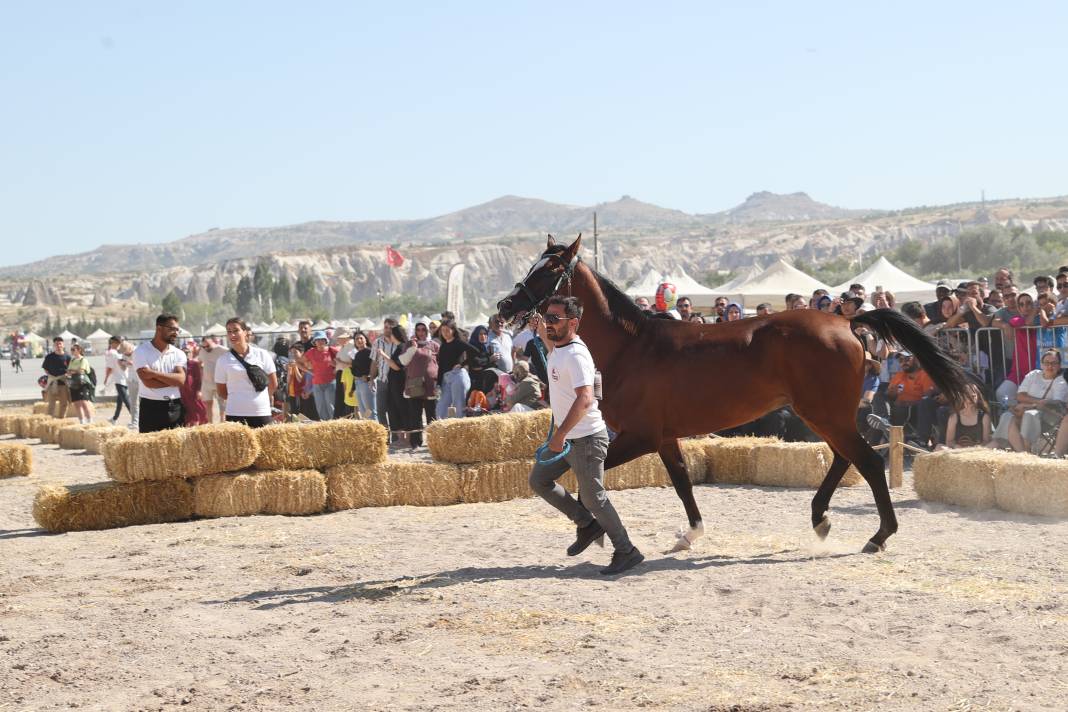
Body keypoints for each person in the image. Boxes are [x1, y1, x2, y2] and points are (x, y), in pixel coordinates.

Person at [527, 295, 643, 576]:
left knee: (594, 498)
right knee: (539, 480)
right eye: (547, 317)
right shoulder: (560, 348)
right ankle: (587, 524)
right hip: (570, 439)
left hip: (586, 439)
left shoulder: (577, 355)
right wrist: (541, 328)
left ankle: (627, 550)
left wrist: (560, 434)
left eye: (554, 319)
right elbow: (552, 346)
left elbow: (586, 398)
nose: (549, 323)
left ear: (573, 323)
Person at [992, 349, 1068, 453]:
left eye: (1054, 363)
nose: (1050, 366)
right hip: (1026, 411)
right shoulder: (1033, 375)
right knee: (1007, 416)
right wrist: (1038, 402)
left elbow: (1055, 404)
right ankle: (1022, 453)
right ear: (1041, 364)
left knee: (1030, 414)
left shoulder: (1060, 381)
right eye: (1046, 363)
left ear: (1059, 365)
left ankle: (1026, 449)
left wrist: (1028, 405)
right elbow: (1019, 396)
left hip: (1048, 417)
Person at [215, 318, 278, 428]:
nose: (232, 334)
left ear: (245, 332)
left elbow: (273, 384)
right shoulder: (223, 360)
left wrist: (260, 399)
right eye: (229, 331)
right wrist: (240, 401)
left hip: (261, 412)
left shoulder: (262, 355)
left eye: (236, 330)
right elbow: (221, 391)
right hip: (235, 413)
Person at [132, 314, 188, 433]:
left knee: (177, 444)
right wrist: (172, 380)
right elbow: (148, 383)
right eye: (172, 329)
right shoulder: (141, 352)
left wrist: (153, 373)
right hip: (150, 408)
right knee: (149, 444)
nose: (175, 333)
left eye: (177, 330)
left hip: (175, 407)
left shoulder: (179, 354)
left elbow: (181, 380)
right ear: (159, 328)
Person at [886, 351, 939, 448]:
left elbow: (927, 398)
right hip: (896, 408)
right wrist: (891, 394)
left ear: (916, 359)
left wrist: (907, 403)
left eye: (907, 359)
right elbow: (890, 396)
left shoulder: (924, 375)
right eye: (900, 360)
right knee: (879, 395)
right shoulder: (899, 376)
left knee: (922, 404)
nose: (903, 362)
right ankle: (884, 421)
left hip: (915, 410)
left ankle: (886, 427)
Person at [399, 321, 439, 446]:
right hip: (414, 384)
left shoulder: (434, 345)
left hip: (430, 384)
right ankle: (416, 442)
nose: (421, 332)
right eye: (418, 330)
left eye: (423, 329)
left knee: (431, 415)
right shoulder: (409, 344)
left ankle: (433, 443)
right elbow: (403, 361)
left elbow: (440, 363)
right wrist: (413, 347)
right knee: (415, 415)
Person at [435, 319, 477, 419]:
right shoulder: (443, 346)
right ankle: (443, 428)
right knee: (441, 408)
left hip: (458, 376)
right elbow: (441, 366)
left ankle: (460, 428)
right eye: (442, 330)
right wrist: (438, 383)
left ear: (453, 330)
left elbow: (475, 352)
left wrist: (462, 364)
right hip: (446, 378)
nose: (444, 333)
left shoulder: (458, 342)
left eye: (447, 330)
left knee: (459, 407)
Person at [381, 325, 413, 444]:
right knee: (394, 408)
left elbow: (396, 366)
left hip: (400, 383)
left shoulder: (402, 347)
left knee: (402, 408)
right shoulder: (399, 347)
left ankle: (407, 438)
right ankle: (401, 438)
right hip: (395, 383)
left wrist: (384, 355)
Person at [939, 385, 991, 449]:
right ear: (962, 397)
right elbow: (949, 441)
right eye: (967, 396)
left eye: (973, 396)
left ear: (978, 397)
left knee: (995, 443)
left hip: (977, 451)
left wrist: (975, 449)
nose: (970, 399)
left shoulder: (984, 417)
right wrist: (958, 447)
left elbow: (986, 441)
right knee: (939, 447)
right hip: (958, 451)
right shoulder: (954, 417)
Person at [302, 331, 338, 421]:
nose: (320, 342)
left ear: (326, 340)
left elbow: (345, 361)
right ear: (314, 342)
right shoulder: (311, 352)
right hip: (317, 384)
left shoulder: (332, 350)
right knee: (320, 408)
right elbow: (299, 362)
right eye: (317, 340)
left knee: (331, 407)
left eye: (322, 339)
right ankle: (324, 427)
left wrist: (336, 367)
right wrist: (308, 370)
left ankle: (333, 426)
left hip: (330, 383)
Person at [370, 318, 397, 429]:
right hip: (382, 380)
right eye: (386, 327)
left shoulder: (399, 342)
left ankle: (395, 435)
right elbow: (374, 361)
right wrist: (371, 378)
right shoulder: (377, 342)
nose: (388, 330)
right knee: (380, 410)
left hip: (395, 381)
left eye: (391, 328)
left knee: (393, 409)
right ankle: (385, 435)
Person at [198, 336, 228, 422]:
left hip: (220, 382)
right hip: (206, 383)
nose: (206, 348)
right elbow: (199, 362)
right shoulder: (202, 351)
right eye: (203, 346)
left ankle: (223, 423)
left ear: (213, 342)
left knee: (222, 406)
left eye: (208, 346)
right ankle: (210, 424)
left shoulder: (223, 350)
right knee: (208, 405)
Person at [179, 340, 207, 426]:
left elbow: (199, 378)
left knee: (200, 408)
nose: (186, 354)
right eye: (184, 352)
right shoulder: (178, 364)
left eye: (188, 352)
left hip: (193, 391)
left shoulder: (194, 364)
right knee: (187, 410)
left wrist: (199, 390)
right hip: (183, 391)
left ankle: (200, 424)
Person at [104, 335, 131, 425]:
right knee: (120, 400)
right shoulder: (119, 353)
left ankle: (135, 419)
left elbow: (110, 368)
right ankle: (114, 419)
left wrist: (106, 378)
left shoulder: (112, 353)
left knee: (126, 400)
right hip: (124, 378)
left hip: (119, 380)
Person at [42, 336, 71, 418]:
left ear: (63, 345)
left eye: (60, 344)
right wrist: (52, 377)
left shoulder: (67, 357)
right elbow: (45, 369)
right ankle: (49, 420)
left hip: (63, 383)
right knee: (51, 403)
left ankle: (61, 419)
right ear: (54, 345)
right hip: (52, 383)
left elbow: (70, 369)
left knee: (64, 403)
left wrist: (66, 375)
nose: (58, 345)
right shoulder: (49, 357)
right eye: (56, 344)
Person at [66, 342, 95, 423]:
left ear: (79, 350)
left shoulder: (83, 360)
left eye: (73, 349)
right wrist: (74, 371)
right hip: (73, 383)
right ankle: (82, 421)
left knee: (84, 402)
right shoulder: (72, 360)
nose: (72, 351)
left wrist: (72, 371)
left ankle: (90, 420)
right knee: (76, 403)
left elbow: (81, 371)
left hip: (82, 383)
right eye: (71, 349)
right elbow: (69, 371)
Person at [332, 329, 355, 419]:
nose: (337, 340)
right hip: (342, 374)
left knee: (346, 397)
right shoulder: (343, 347)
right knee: (341, 397)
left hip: (348, 375)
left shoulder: (352, 346)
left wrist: (340, 362)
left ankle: (347, 417)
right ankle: (341, 417)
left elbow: (354, 364)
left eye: (339, 338)